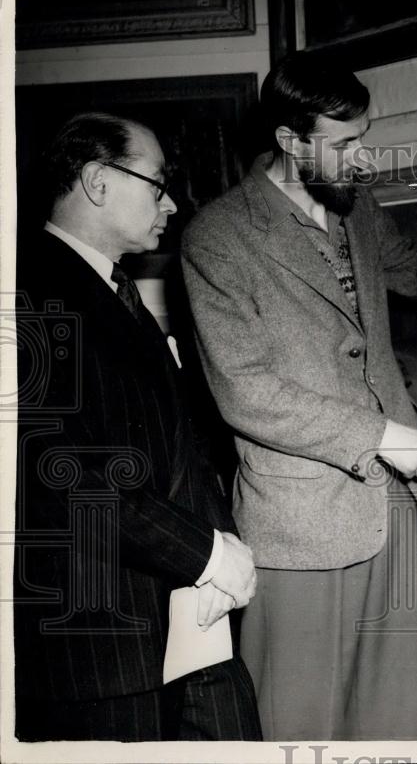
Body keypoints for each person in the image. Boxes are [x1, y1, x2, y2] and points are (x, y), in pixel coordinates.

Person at [181, 50, 417, 740]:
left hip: (385, 503)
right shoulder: (217, 237)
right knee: (295, 720)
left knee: (386, 714)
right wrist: (385, 436)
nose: (360, 159)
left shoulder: (356, 207)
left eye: (363, 137)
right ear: (289, 139)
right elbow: (246, 391)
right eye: (342, 144)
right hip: (299, 521)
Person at [14, 112, 262, 742]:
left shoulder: (113, 289)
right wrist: (207, 554)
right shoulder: (27, 293)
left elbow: (179, 446)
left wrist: (222, 551)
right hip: (101, 649)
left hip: (188, 617)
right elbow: (62, 474)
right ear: (98, 182)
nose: (171, 204)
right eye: (158, 184)